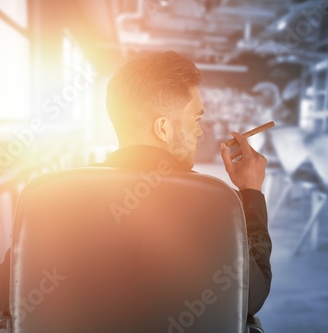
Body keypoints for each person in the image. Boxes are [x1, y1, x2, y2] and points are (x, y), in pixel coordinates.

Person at [104, 50, 272, 316]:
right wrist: (251, 193)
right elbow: (252, 297)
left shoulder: (52, 199)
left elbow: (14, 300)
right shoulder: (215, 201)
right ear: (163, 128)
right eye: (195, 119)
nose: (200, 131)